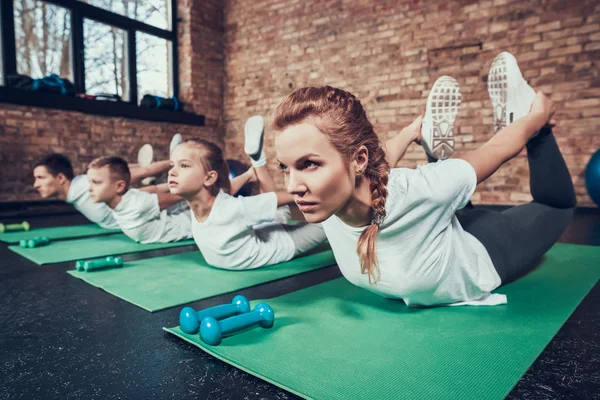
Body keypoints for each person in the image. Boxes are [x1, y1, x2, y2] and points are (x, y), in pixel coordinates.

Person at [273, 51, 576, 307]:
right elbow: (378, 161)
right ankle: (432, 146)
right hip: (438, 228)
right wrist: (408, 133)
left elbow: (495, 150)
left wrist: (537, 118)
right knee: (442, 200)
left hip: (481, 248)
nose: (293, 187)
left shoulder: (417, 191)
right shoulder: (327, 202)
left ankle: (526, 115)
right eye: (286, 168)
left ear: (358, 160)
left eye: (309, 164)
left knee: (557, 206)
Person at [167, 116, 329, 270]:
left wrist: (321, 195)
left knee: (331, 219)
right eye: (172, 165)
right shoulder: (213, 204)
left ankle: (258, 162)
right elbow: (225, 191)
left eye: (184, 166)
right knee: (276, 212)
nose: (172, 172)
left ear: (209, 178)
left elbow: (280, 197)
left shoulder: (232, 208)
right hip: (261, 230)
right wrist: (247, 176)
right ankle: (256, 164)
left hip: (285, 243)